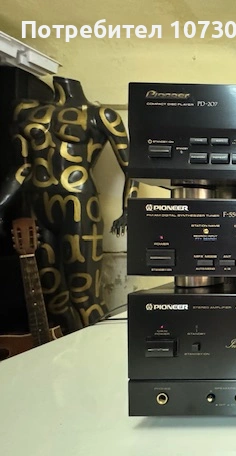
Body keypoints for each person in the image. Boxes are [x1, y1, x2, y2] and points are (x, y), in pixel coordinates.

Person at [0, 76, 138, 333]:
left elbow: (132, 167)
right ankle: (70, 348)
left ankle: (100, 350)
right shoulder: (25, 112)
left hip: (78, 203)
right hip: (36, 205)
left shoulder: (101, 115)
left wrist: (129, 209)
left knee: (84, 294)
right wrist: (2, 204)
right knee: (51, 296)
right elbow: (22, 167)